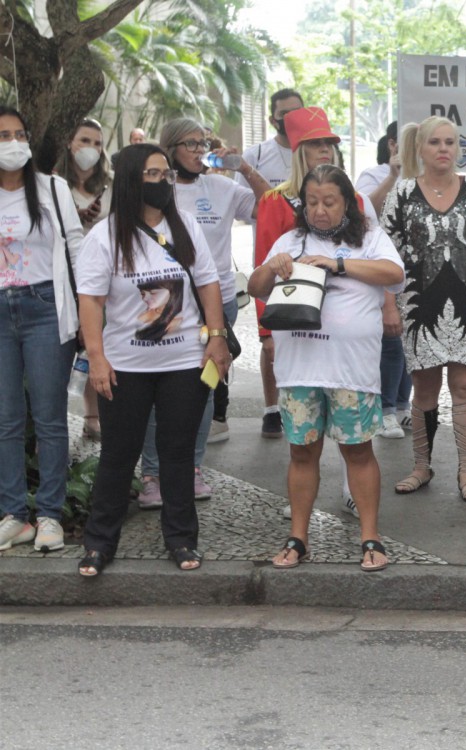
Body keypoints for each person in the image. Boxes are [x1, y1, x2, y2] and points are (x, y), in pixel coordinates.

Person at [75, 143, 230, 576]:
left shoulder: (184, 229)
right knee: (118, 456)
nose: (162, 182)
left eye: (166, 174)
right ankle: (99, 543)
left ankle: (181, 538)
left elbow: (208, 283)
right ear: (129, 179)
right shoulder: (104, 237)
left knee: (178, 455)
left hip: (184, 363)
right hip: (125, 367)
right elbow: (90, 301)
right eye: (152, 174)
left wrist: (216, 339)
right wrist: (97, 359)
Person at [249, 164, 405, 572]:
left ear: (347, 204)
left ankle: (370, 537)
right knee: (301, 453)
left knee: (358, 451)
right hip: (300, 371)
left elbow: (394, 273)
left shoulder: (369, 238)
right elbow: (256, 287)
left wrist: (336, 264)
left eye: (329, 202)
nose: (320, 210)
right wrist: (273, 266)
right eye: (313, 202)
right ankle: (298, 538)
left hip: (350, 372)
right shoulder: (290, 238)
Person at [129, 119, 271, 509]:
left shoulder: (223, 187)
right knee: (157, 388)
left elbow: (270, 206)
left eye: (203, 143)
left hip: (217, 301)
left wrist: (244, 167)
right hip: (164, 300)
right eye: (190, 143)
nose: (198, 149)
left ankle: (191, 468)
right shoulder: (160, 188)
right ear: (171, 148)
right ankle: (153, 475)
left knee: (204, 387)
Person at [382, 116, 466, 502]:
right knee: (424, 388)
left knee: (465, 386)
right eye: (435, 142)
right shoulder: (401, 194)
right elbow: (385, 255)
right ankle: (421, 466)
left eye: (450, 142)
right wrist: (389, 307)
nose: (444, 149)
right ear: (420, 148)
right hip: (418, 306)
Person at [0, 107, 86, 554]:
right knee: (6, 420)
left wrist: (90, 316)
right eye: (3, 136)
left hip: (45, 309)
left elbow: (76, 248)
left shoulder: (51, 188)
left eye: (19, 134)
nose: (13, 143)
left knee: (50, 419)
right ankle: (14, 515)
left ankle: (50, 514)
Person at [242, 88, 305, 438]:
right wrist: (247, 170)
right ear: (272, 119)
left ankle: (301, 401)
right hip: (270, 250)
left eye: (298, 111)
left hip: (309, 257)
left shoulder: (315, 149)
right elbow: (257, 203)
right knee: (271, 338)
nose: (291, 118)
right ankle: (271, 408)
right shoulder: (258, 154)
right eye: (285, 113)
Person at [54, 117, 113, 441]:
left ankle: (94, 417)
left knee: (96, 346)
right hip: (63, 278)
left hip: (103, 278)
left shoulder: (111, 184)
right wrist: (73, 220)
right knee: (66, 347)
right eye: (84, 141)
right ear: (69, 142)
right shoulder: (53, 184)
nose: (91, 149)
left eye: (97, 143)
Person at [356, 122, 412, 439]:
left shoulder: (424, 177)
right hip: (383, 267)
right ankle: (385, 410)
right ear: (392, 144)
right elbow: (366, 212)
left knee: (410, 344)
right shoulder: (374, 174)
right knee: (391, 343)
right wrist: (393, 175)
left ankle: (403, 406)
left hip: (413, 272)